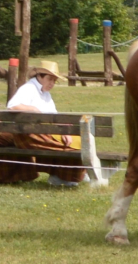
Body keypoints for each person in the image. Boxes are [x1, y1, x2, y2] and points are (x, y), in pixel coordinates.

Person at [9, 58, 85, 187]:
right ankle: (66, 176)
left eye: (54, 81)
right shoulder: (28, 88)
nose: (52, 83)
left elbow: (54, 115)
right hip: (29, 135)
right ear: (39, 76)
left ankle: (65, 175)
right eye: (50, 79)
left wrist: (64, 130)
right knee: (69, 146)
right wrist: (33, 109)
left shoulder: (46, 94)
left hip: (42, 132)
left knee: (75, 139)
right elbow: (12, 105)